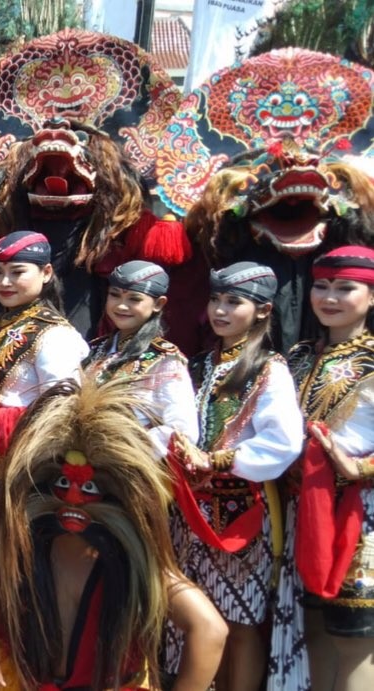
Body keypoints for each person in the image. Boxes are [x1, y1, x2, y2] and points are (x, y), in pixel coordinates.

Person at [0, 379, 228, 690]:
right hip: (35, 681)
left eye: (89, 489)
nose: (73, 499)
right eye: (62, 486)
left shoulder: (131, 560)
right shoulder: (30, 548)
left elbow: (210, 629)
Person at [0, 231, 87, 643]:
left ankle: (17, 658)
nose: (4, 282)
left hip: (22, 471)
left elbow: (65, 414)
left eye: (16, 272)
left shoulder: (54, 336)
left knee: (19, 564)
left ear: (45, 273)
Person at [168, 262, 303, 691]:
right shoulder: (201, 364)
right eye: (215, 300)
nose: (220, 310)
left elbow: (282, 442)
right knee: (200, 615)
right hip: (193, 509)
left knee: (241, 619)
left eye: (233, 302)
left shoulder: (269, 369)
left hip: (242, 510)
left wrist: (219, 461)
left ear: (263, 311)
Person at [277, 246, 374, 691]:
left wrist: (361, 469)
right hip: (303, 509)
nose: (329, 297)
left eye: (345, 288)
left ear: (371, 297)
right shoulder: (296, 357)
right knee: (310, 628)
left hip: (362, 513)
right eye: (322, 286)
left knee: (353, 639)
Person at [83, 260, 198, 459]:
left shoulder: (165, 359)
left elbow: (182, 429)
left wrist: (128, 448)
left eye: (134, 299)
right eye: (114, 295)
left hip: (128, 464)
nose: (121, 305)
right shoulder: (96, 348)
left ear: (158, 304)